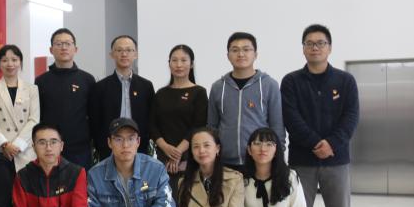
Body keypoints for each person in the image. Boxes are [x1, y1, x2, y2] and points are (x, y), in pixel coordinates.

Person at [281, 24, 359, 207]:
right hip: (302, 161)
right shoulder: (291, 81)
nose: (315, 48)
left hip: (337, 161)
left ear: (330, 47)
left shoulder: (345, 81)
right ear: (303, 48)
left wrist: (331, 144)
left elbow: (351, 117)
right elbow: (291, 118)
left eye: (321, 43)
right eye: (310, 43)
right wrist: (315, 142)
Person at [208, 32, 285, 167]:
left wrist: (279, 156)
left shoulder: (269, 85)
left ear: (255, 54)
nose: (241, 54)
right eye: (235, 50)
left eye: (246, 49)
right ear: (228, 55)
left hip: (260, 162)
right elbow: (212, 127)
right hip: (225, 163)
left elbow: (277, 125)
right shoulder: (218, 87)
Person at [34, 28, 97, 169]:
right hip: (50, 148)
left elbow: (93, 115)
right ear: (51, 50)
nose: (63, 47)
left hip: (80, 149)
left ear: (75, 49)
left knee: (80, 182)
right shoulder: (41, 81)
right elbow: (38, 115)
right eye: (58, 44)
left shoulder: (87, 79)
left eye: (68, 43)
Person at [149, 44, 208, 184]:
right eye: (174, 60)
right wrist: (165, 148)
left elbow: (198, 126)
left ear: (191, 64)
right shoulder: (161, 93)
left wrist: (177, 153)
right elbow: (152, 125)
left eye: (184, 60)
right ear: (169, 64)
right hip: (163, 157)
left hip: (190, 157)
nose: (179, 65)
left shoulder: (199, 92)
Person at [91, 35, 155, 161]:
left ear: (135, 54)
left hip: (138, 146)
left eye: (129, 50)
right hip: (109, 148)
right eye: (119, 50)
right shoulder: (100, 87)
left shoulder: (146, 86)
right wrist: (101, 145)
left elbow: (151, 117)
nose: (124, 54)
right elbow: (95, 120)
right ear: (112, 54)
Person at [0, 44, 40, 171]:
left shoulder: (32, 89)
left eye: (14, 59)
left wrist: (18, 144)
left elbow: (34, 120)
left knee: (25, 182)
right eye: (4, 60)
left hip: (25, 149)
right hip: (0, 150)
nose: (10, 64)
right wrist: (4, 144)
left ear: (20, 62)